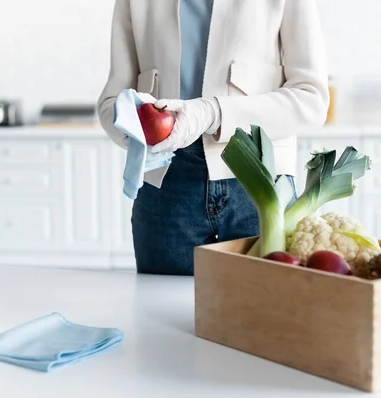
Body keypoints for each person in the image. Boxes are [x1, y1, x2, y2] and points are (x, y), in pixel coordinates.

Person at [98, 0, 330, 276]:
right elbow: (112, 100)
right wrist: (135, 132)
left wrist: (212, 112)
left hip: (260, 182)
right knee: (158, 311)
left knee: (265, 311)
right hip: (166, 186)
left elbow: (312, 99)